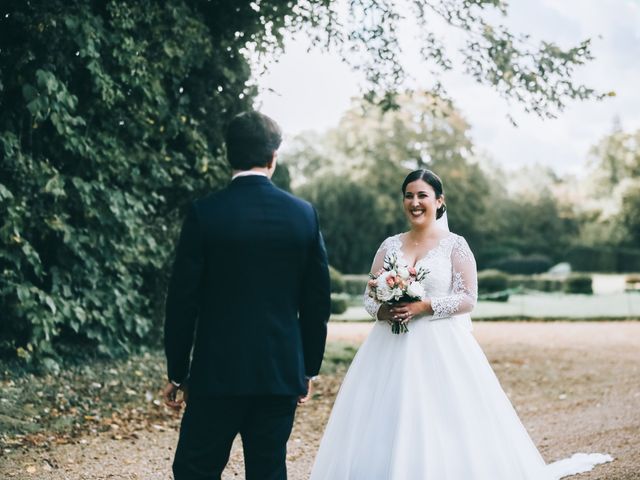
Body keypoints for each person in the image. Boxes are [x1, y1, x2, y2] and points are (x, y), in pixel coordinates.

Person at [309, 169, 612, 479]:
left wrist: (424, 306)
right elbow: (370, 297)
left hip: (440, 345)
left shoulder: (455, 245)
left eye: (422, 195)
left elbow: (468, 298)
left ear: (439, 201)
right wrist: (385, 311)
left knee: (443, 419)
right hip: (388, 347)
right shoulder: (389, 246)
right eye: (409, 196)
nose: (415, 202)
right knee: (386, 416)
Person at [163, 111, 331, 480]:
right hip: (278, 373)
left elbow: (181, 301)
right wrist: (307, 368)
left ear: (228, 154)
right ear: (274, 157)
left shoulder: (205, 214)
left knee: (195, 469)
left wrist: (178, 371)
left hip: (215, 374)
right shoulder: (303, 216)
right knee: (268, 471)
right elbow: (317, 301)